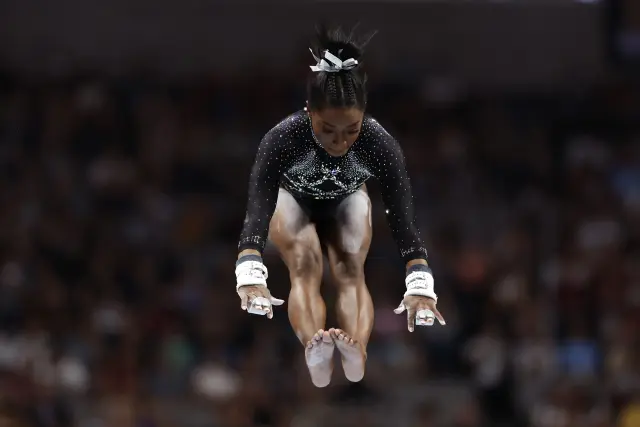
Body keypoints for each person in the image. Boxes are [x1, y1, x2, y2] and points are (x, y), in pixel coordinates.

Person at [235, 26, 445, 388]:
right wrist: (249, 267)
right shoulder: (283, 138)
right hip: (293, 200)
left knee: (350, 269)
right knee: (304, 263)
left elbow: (403, 218)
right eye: (328, 129)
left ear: (364, 116)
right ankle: (314, 348)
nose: (340, 141)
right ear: (309, 112)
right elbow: (259, 203)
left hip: (347, 200)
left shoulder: (379, 143)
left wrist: (420, 279)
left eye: (351, 130)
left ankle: (356, 352)